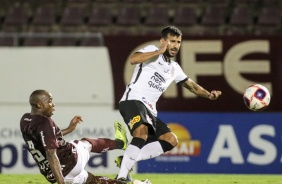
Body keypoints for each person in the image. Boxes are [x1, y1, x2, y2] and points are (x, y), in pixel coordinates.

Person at [115, 26, 222, 181]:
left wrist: (209, 95)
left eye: (178, 42)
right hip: (133, 100)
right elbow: (133, 59)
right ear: (163, 41)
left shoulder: (174, 68)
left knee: (171, 140)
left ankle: (126, 159)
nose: (176, 45)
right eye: (172, 41)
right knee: (142, 133)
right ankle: (121, 178)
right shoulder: (152, 50)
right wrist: (158, 51)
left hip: (150, 111)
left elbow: (192, 86)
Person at [20, 89, 150, 184]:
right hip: (69, 161)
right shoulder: (45, 122)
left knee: (94, 181)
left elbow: (47, 139)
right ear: (40, 105)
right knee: (86, 143)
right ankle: (120, 143)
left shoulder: (25, 120)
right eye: (50, 101)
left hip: (56, 175)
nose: (53, 105)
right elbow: (51, 153)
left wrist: (69, 129)